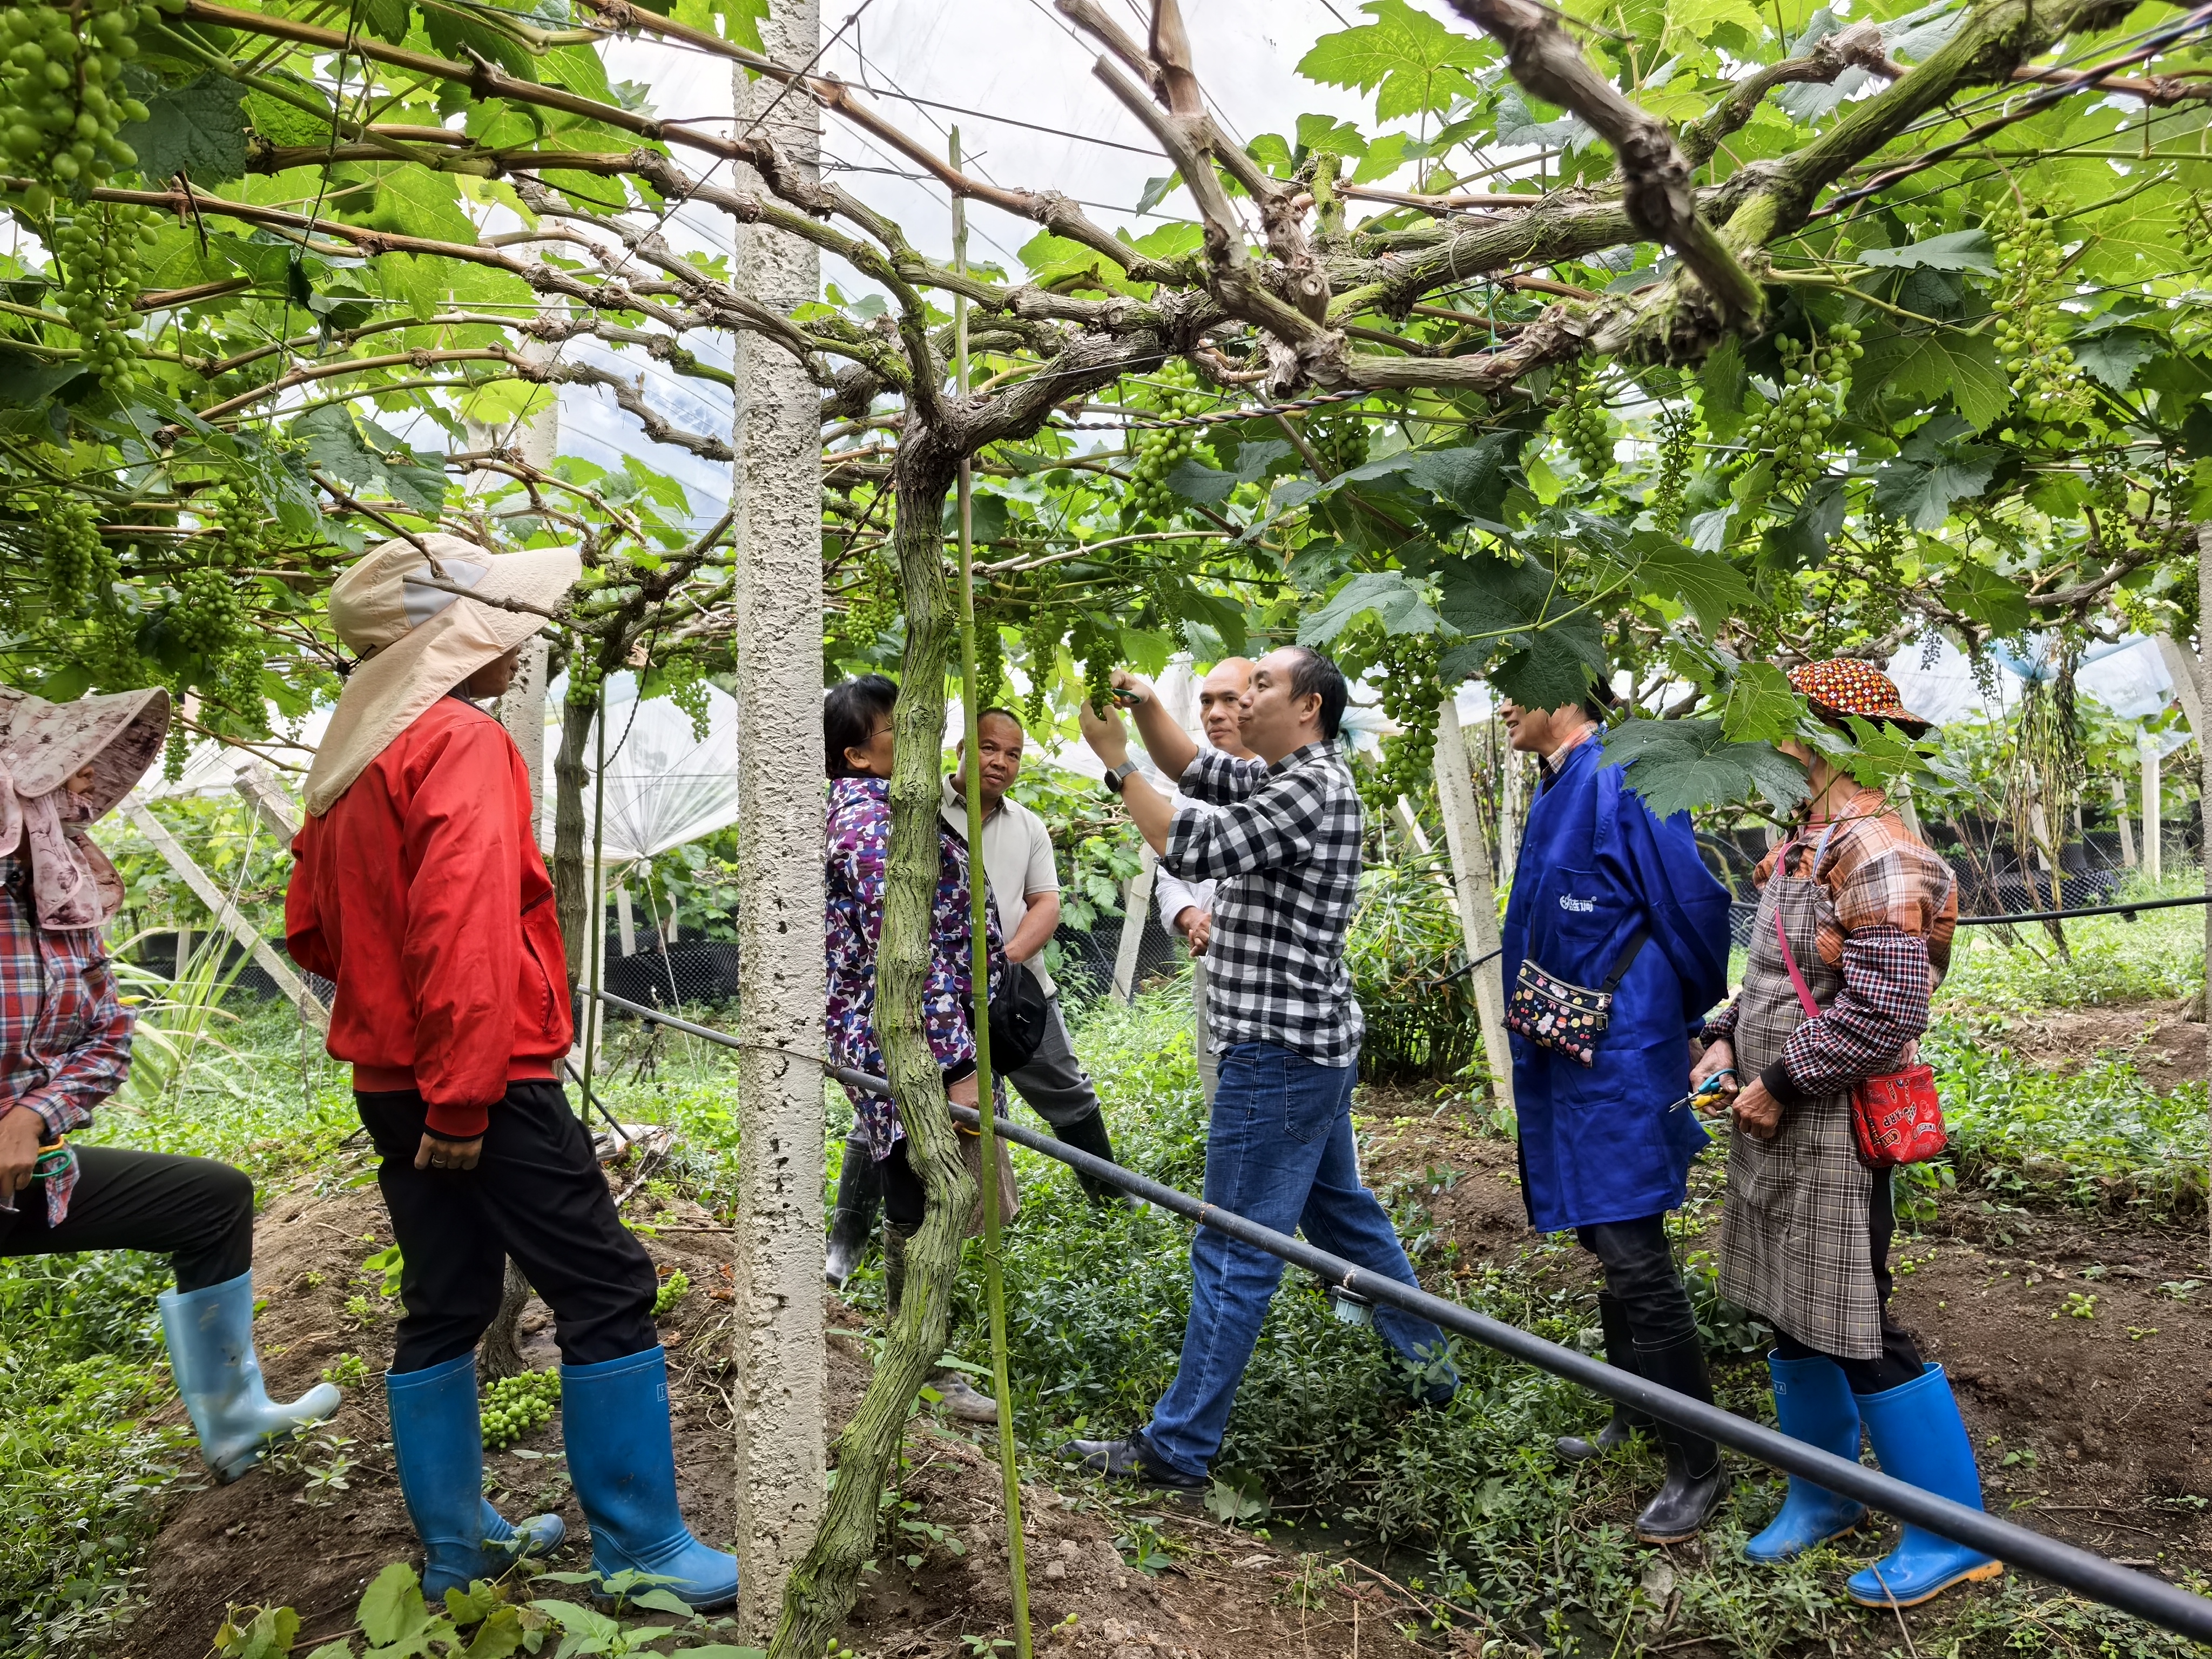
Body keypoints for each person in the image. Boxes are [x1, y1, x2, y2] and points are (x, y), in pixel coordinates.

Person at [286, 535, 736, 1607]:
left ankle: (458, 1551)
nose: (524, 639)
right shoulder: (461, 743)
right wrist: (466, 1088)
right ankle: (643, 1550)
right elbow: (465, 928)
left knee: (444, 1297)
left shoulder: (351, 760)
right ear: (441, 643)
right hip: (479, 1080)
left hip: (392, 1077)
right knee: (606, 1285)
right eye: (498, 619)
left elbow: (313, 933)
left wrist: (407, 1036)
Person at [1064, 647, 1457, 1494]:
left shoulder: (1309, 788)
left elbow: (1183, 837)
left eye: (1262, 688)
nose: (1242, 702)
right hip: (1309, 1047)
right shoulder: (1295, 775)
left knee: (1234, 1247)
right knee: (1344, 1219)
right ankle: (1433, 1371)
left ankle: (1178, 1449)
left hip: (1277, 1057)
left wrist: (1114, 764)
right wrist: (1137, 703)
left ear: (1308, 706)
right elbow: (1196, 770)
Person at [1691, 659, 1997, 1609]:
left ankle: (1951, 1532)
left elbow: (1890, 1005)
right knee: (1791, 1304)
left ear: (1818, 737)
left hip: (1831, 1120)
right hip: (1774, 1115)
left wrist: (1781, 1079)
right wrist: (1720, 1037)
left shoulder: (1878, 854)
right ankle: (1823, 1494)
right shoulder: (1797, 846)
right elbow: (1774, 979)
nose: (1760, 749)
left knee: (1855, 1313)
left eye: (1775, 730)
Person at [0, 683, 342, 1483]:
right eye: (68, 768)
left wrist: (32, 1111)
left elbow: (109, 1036)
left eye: (90, 771)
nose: (86, 789)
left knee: (210, 1200)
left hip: (21, 1170)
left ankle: (235, 1421)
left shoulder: (57, 900)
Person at [1497, 686, 1733, 1542]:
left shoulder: (1623, 775)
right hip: (1573, 1048)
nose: (1501, 708)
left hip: (1620, 1048)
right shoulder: (1560, 780)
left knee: (1634, 1248)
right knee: (1606, 1235)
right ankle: (1634, 1414)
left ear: (1560, 689)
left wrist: (1678, 1016)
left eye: (1512, 690)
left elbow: (1692, 907)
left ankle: (1697, 1463)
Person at [820, 673, 1008, 1425]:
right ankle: (923, 1368)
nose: (919, 737)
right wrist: (957, 1067)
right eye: (900, 729)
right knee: (927, 1192)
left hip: (918, 1038)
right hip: (911, 1043)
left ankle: (918, 1359)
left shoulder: (888, 809)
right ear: (858, 755)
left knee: (919, 1186)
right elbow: (908, 957)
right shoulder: (870, 827)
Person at [941, 708, 1121, 1199]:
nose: (1000, 761)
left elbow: (1045, 902)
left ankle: (1110, 1198)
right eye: (988, 747)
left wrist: (1005, 959)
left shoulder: (1028, 826)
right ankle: (849, 1236)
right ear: (960, 749)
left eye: (1013, 754)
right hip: (937, 998)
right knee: (904, 1100)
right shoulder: (921, 813)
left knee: (1066, 1088)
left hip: (1019, 992)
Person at [1151, 658, 1256, 1106]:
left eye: (1229, 700)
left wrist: (1120, 765)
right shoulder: (1187, 788)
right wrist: (1193, 918)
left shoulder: (1283, 781)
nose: (1214, 713)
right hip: (1211, 968)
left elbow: (1185, 851)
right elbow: (1167, 870)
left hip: (1265, 979)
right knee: (1221, 1090)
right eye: (1207, 701)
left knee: (1277, 1103)